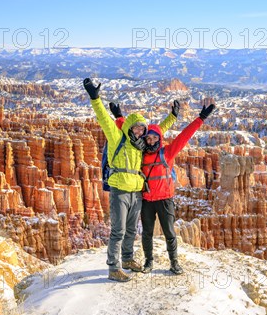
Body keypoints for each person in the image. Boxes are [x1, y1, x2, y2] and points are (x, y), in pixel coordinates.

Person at [83, 78, 177, 282]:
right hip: (120, 191)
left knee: (132, 230)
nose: (140, 131)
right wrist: (95, 97)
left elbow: (159, 131)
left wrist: (173, 117)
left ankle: (127, 259)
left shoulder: (142, 144)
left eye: (142, 129)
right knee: (118, 230)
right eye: (137, 128)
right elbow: (103, 119)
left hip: (136, 191)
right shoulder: (117, 137)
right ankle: (113, 267)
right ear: (130, 127)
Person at [112, 102, 215, 275]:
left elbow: (184, 136)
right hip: (147, 200)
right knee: (147, 233)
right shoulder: (141, 153)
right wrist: (119, 118)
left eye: (154, 138)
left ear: (159, 139)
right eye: (148, 138)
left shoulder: (167, 152)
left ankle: (174, 262)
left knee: (169, 232)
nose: (151, 141)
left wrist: (201, 118)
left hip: (165, 200)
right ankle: (148, 261)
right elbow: (128, 131)